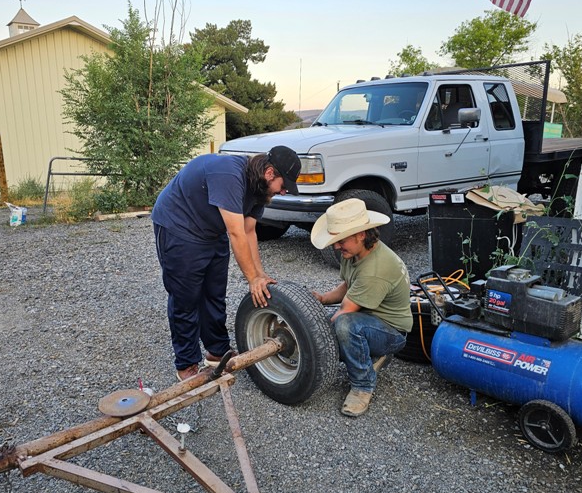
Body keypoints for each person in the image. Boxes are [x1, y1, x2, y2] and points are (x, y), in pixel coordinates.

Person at [152, 146, 301, 381]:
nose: (283, 192)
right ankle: (187, 364)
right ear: (270, 173)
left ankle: (216, 350)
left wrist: (259, 275)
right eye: (283, 186)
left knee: (214, 293)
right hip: (179, 226)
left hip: (212, 229)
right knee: (186, 298)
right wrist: (251, 278)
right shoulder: (229, 174)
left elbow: (249, 231)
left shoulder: (261, 190)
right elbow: (236, 234)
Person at [310, 198, 413, 417]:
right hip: (369, 317)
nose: (336, 246)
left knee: (343, 326)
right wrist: (323, 299)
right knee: (326, 326)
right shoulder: (356, 251)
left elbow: (345, 313)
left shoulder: (376, 268)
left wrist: (310, 337)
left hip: (392, 331)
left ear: (361, 234)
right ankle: (370, 355)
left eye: (341, 240)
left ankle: (363, 386)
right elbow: (349, 285)